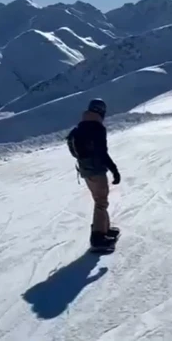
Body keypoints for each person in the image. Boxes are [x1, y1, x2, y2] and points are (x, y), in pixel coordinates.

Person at [67, 98, 122, 249]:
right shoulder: (97, 128)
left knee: (99, 200)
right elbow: (102, 153)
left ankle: (104, 228)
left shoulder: (80, 127)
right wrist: (114, 170)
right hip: (97, 170)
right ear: (101, 111)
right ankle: (98, 238)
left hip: (84, 170)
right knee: (101, 202)